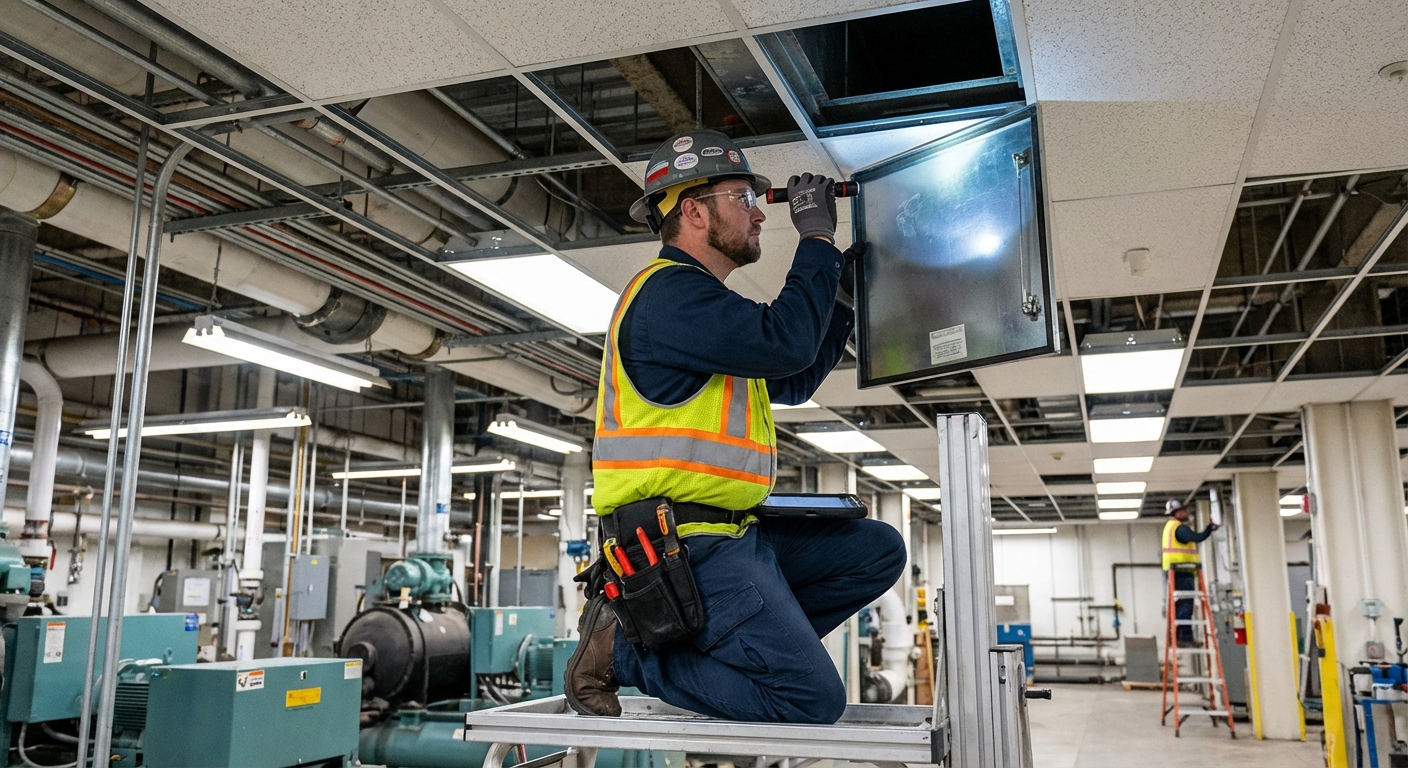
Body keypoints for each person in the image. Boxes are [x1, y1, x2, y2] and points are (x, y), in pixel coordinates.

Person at [563, 130, 906, 724]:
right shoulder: (669, 297)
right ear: (692, 210)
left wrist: (842, 299)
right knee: (810, 701)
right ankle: (626, 653)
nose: (757, 213)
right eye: (743, 197)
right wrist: (818, 240)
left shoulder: (706, 316)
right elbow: (786, 341)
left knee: (876, 551)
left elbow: (792, 378)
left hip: (734, 536)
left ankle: (722, 649)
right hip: (680, 544)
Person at [1161, 498, 1218, 647]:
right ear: (1176, 512)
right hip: (1181, 571)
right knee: (1186, 606)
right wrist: (1209, 528)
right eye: (1183, 510)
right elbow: (1197, 538)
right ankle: (1184, 637)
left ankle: (1178, 636)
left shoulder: (1170, 527)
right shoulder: (1179, 528)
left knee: (1179, 606)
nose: (1186, 513)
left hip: (1174, 572)